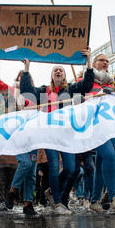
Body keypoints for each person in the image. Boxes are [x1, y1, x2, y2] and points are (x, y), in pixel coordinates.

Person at [20, 49, 94, 214]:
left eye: (61, 69)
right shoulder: (44, 91)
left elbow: (87, 85)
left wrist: (89, 61)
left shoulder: (71, 90)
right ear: (52, 76)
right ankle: (58, 203)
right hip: (49, 134)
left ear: (64, 75)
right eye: (55, 70)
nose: (58, 71)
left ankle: (53, 191)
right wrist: (26, 69)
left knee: (71, 168)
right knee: (53, 167)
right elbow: (27, 91)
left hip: (67, 134)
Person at [0, 53, 39, 215]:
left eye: (25, 77)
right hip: (18, 136)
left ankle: (27, 204)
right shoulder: (9, 91)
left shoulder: (37, 94)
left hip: (33, 137)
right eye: (19, 77)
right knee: (24, 164)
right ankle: (12, 191)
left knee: (31, 172)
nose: (21, 80)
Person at [82, 52, 115, 213]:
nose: (105, 63)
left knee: (103, 163)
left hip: (110, 127)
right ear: (94, 63)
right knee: (110, 157)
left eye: (107, 61)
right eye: (102, 60)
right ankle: (114, 197)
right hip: (96, 128)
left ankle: (94, 201)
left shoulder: (111, 84)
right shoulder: (87, 80)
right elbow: (81, 99)